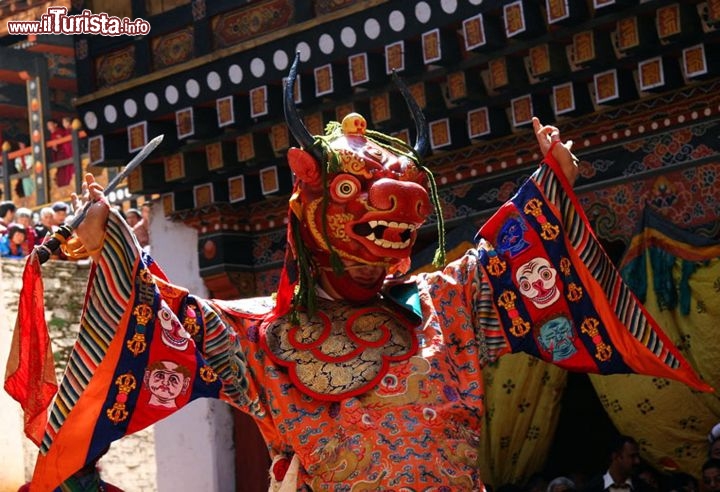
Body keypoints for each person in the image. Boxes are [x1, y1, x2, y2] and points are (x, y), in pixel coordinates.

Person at [27, 60, 710, 490]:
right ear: (309, 197)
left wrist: (550, 184)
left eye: (407, 197)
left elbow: (513, 249)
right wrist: (108, 237)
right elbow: (161, 309)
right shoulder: (260, 337)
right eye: (358, 194)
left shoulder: (451, 301)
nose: (397, 213)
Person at [582, 435, 654, 492]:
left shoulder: (644, 488)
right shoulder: (592, 488)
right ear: (616, 456)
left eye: (637, 456)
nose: (637, 461)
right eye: (632, 456)